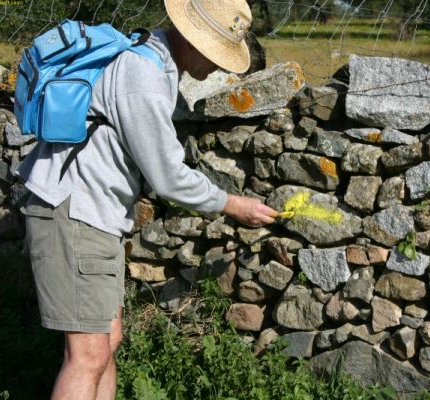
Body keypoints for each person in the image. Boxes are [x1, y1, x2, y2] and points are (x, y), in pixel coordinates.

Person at [16, 1, 277, 399]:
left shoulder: (150, 59)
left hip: (93, 215)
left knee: (107, 342)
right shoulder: (143, 75)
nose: (220, 68)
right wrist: (233, 204)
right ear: (193, 42)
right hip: (74, 212)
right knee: (86, 356)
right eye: (217, 55)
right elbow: (168, 176)